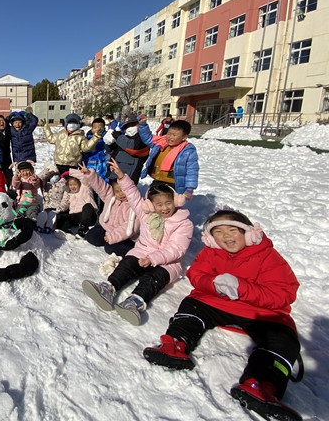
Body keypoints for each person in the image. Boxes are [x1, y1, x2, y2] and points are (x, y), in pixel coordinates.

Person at [143, 210, 302, 421]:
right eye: (218, 232)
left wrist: (243, 289)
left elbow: (284, 293)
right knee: (192, 306)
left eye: (233, 230)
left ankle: (262, 385)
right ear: (211, 237)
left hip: (261, 311)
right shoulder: (211, 252)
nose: (226, 236)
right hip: (214, 301)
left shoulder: (267, 255)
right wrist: (213, 284)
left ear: (248, 233)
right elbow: (196, 274)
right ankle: (175, 344)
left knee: (283, 336)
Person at [82, 158, 193, 326]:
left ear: (175, 202)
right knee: (127, 263)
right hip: (143, 251)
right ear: (151, 205)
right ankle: (108, 288)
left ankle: (134, 302)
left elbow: (177, 249)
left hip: (167, 262)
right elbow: (133, 195)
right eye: (159, 204)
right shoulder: (146, 213)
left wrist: (154, 259)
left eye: (168, 203)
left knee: (154, 279)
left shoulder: (184, 223)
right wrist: (121, 176)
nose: (164, 208)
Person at [75, 163, 140, 257]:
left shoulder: (135, 204)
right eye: (117, 191)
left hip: (127, 235)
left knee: (110, 248)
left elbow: (130, 226)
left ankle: (136, 252)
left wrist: (113, 237)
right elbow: (101, 186)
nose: (121, 194)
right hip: (108, 228)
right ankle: (108, 239)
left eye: (123, 190)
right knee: (92, 237)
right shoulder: (111, 197)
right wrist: (90, 174)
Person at [138, 115, 199, 199]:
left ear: (184, 137)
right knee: (152, 200)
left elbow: (192, 170)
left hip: (173, 183)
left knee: (168, 204)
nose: (170, 137)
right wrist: (143, 125)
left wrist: (190, 188)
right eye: (169, 134)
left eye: (174, 135)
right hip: (158, 179)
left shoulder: (187, 151)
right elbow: (147, 138)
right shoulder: (161, 142)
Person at [103, 114, 149, 184]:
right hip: (114, 174)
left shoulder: (144, 138)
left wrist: (118, 137)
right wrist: (108, 142)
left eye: (132, 124)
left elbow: (134, 147)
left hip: (129, 176)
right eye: (126, 126)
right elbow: (111, 150)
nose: (129, 128)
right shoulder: (124, 138)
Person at [53, 170, 98, 239]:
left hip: (88, 215)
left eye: (74, 184)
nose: (72, 186)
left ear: (79, 183)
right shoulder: (68, 193)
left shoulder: (85, 187)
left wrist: (70, 172)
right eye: (70, 185)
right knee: (61, 216)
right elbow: (64, 204)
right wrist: (58, 210)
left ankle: (83, 229)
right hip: (76, 216)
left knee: (88, 206)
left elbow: (84, 177)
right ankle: (66, 231)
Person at [82, 118, 110, 182]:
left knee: (102, 182)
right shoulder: (87, 140)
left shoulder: (107, 139)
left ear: (104, 128)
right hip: (90, 164)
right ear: (91, 129)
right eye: (95, 128)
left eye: (99, 128)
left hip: (103, 165)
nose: (97, 129)